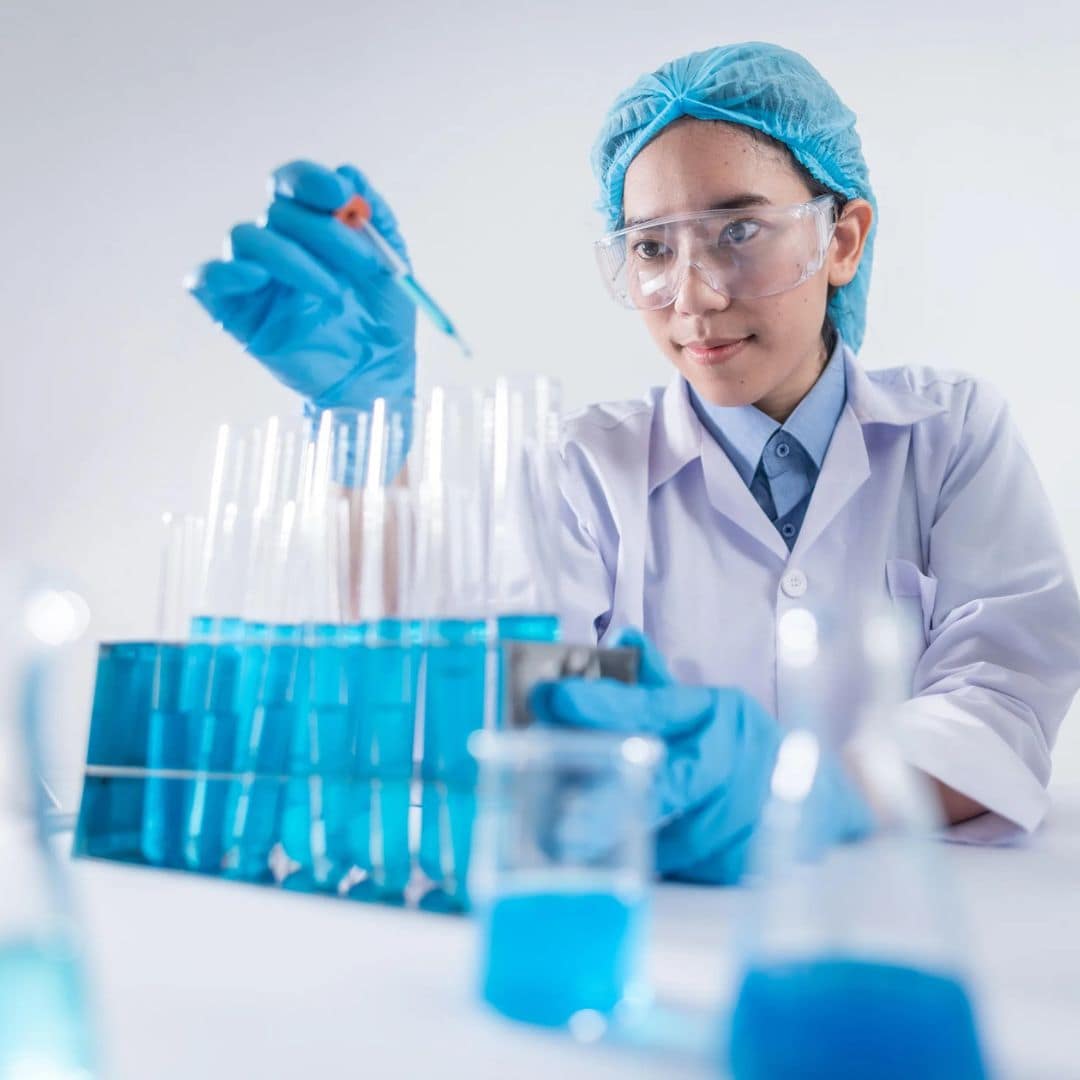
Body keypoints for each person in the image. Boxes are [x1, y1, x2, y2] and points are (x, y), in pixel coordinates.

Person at [188, 42, 1080, 881]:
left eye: (737, 232)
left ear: (839, 241)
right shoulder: (584, 466)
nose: (691, 295)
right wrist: (368, 440)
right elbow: (481, 693)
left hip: (902, 917)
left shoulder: (951, 431)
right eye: (652, 247)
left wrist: (817, 793)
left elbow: (1001, 703)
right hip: (658, 923)